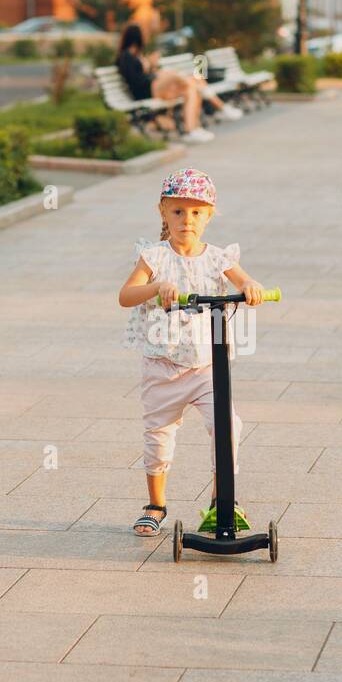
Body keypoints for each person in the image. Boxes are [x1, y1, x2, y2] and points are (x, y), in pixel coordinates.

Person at [119, 169, 266, 536]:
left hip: (206, 366)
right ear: (163, 213)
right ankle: (156, 505)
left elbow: (243, 280)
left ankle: (221, 502)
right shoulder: (153, 257)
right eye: (179, 212)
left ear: (210, 216)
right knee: (159, 433)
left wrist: (251, 286)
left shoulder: (218, 258)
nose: (188, 220)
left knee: (227, 426)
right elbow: (125, 296)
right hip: (163, 365)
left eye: (197, 213)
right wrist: (155, 287)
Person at [115, 24, 240, 145]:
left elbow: (146, 73)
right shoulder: (125, 57)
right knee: (175, 74)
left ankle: (192, 130)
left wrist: (151, 65)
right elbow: (137, 81)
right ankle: (219, 105)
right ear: (136, 36)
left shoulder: (137, 55)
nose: (146, 37)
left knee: (191, 88)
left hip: (153, 87)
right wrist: (151, 67)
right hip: (144, 91)